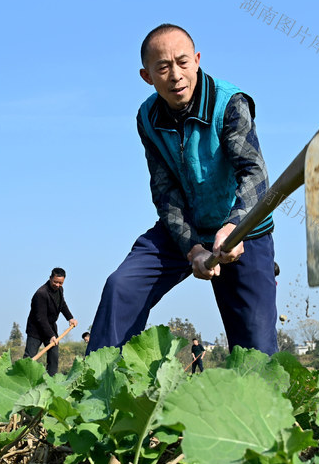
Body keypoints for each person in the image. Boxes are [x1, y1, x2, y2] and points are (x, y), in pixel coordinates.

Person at [87, 24, 278, 356]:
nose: (175, 74)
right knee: (121, 287)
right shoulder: (147, 116)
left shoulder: (229, 103)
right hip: (184, 226)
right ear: (147, 76)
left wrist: (234, 227)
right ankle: (100, 387)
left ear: (198, 60)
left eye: (183, 62)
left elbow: (254, 173)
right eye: (163, 67)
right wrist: (193, 250)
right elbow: (165, 190)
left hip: (244, 230)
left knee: (255, 348)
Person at [23, 267, 78, 375]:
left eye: (60, 283)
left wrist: (70, 318)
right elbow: (41, 318)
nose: (57, 285)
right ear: (50, 278)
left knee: (54, 357)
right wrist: (51, 336)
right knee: (29, 358)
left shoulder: (60, 290)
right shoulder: (41, 293)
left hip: (51, 327)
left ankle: (51, 381)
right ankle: (21, 378)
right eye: (55, 282)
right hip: (36, 330)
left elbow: (62, 304)